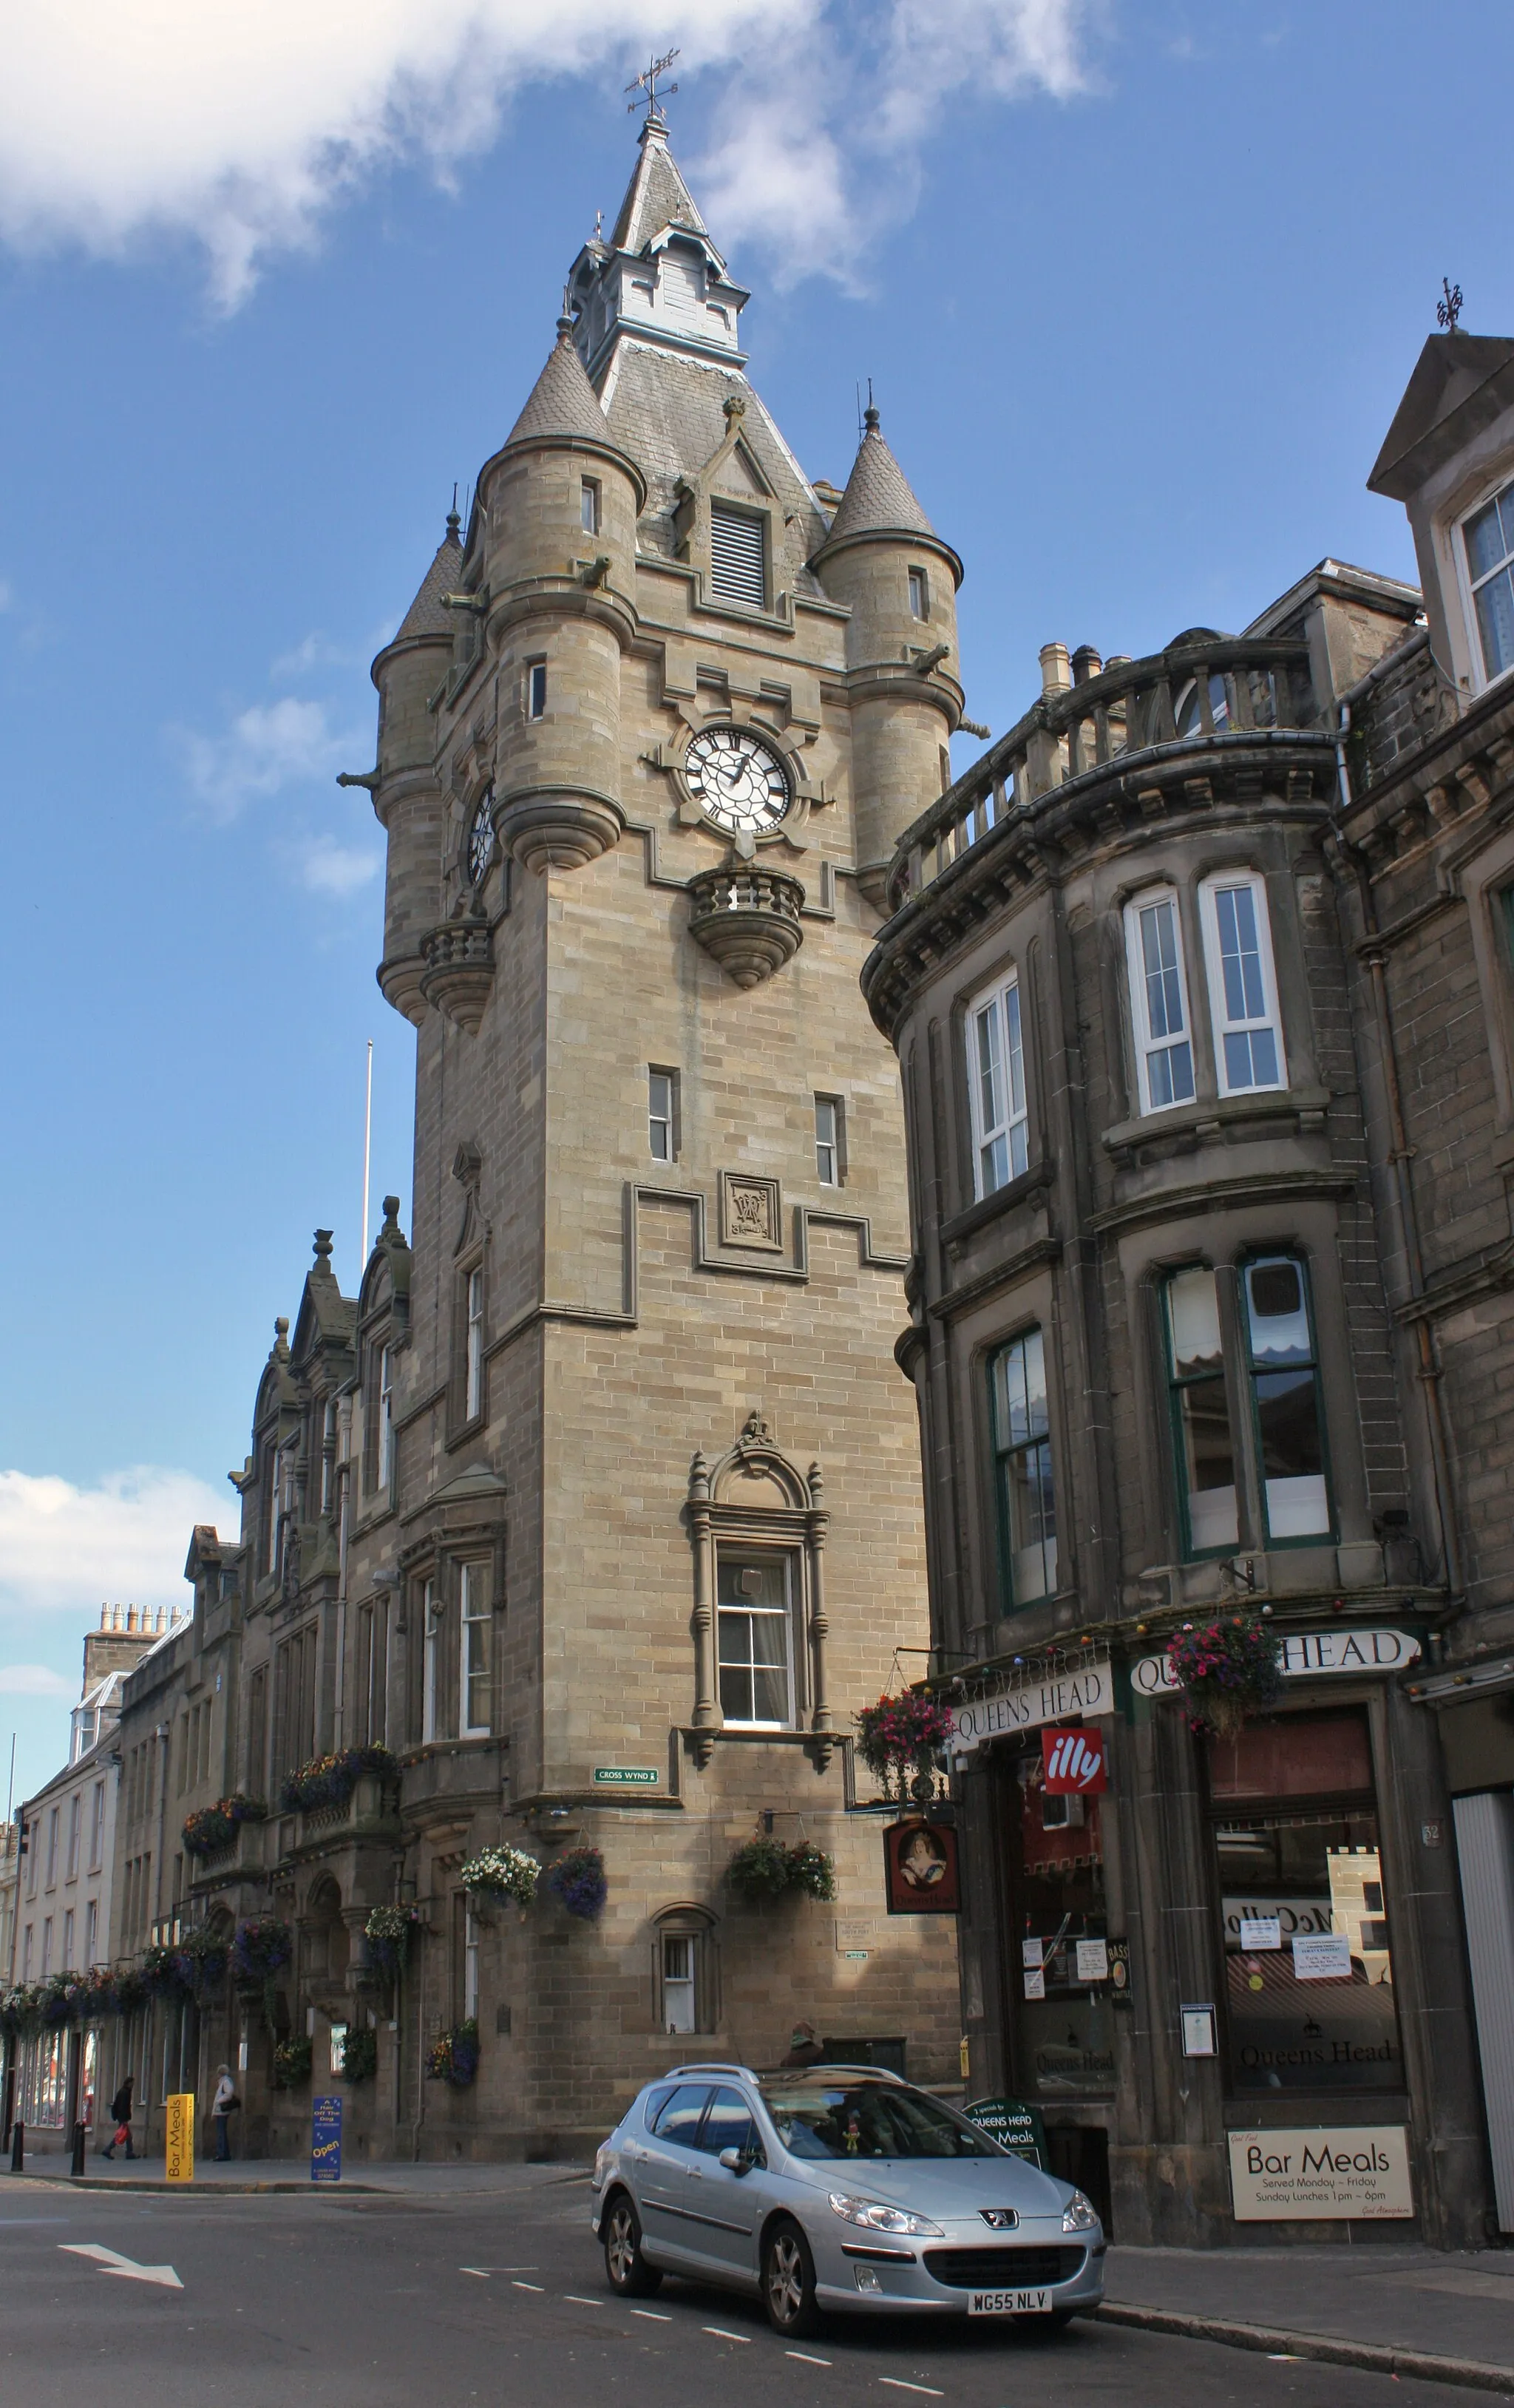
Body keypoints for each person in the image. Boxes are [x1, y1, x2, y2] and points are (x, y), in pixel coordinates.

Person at [101, 2074, 135, 2160]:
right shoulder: (125, 2092)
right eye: (132, 2083)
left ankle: (129, 2153)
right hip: (123, 2118)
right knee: (122, 2135)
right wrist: (124, 2119)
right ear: (129, 2083)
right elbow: (123, 2106)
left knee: (126, 2135)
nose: (133, 2085)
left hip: (121, 2117)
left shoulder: (123, 2091)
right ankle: (108, 2150)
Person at [211, 2064, 238, 2162]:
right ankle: (224, 2153)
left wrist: (219, 2101)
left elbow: (229, 2093)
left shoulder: (225, 2081)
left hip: (222, 2111)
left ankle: (222, 2154)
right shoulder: (223, 2082)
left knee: (221, 2133)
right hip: (220, 2111)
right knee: (222, 2132)